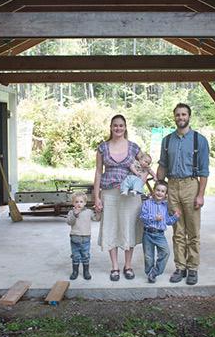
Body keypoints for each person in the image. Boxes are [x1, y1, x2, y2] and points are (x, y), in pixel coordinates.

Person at [157, 103, 210, 285]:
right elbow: (162, 165)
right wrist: (153, 177)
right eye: (178, 115)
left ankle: (193, 268)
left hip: (190, 186)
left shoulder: (199, 140)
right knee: (177, 231)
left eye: (184, 114)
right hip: (172, 187)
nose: (181, 117)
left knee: (193, 231)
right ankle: (180, 267)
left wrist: (200, 194)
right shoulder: (167, 140)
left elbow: (204, 171)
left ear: (189, 116)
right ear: (174, 117)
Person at [93, 114, 144, 281]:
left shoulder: (134, 147)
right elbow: (98, 172)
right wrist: (96, 197)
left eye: (121, 125)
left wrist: (140, 181)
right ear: (111, 127)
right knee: (111, 227)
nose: (118, 128)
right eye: (115, 125)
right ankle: (114, 267)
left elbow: (145, 166)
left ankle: (128, 265)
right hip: (109, 194)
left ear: (125, 127)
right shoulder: (102, 148)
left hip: (129, 195)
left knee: (129, 227)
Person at [139, 180, 180, 283]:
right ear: (153, 190)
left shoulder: (165, 206)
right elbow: (142, 217)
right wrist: (154, 218)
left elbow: (168, 221)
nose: (159, 193)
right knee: (148, 257)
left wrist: (175, 217)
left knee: (166, 252)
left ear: (166, 195)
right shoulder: (146, 203)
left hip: (160, 235)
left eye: (162, 191)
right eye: (158, 190)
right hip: (148, 234)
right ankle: (150, 274)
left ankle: (155, 272)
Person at [66, 191, 98, 280]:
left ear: (85, 203)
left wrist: (98, 211)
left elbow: (97, 218)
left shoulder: (89, 212)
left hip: (86, 238)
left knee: (85, 255)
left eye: (81, 202)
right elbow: (69, 222)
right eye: (76, 202)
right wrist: (75, 215)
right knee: (75, 255)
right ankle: (75, 271)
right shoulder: (71, 212)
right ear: (73, 203)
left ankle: (86, 271)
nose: (79, 204)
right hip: (74, 238)